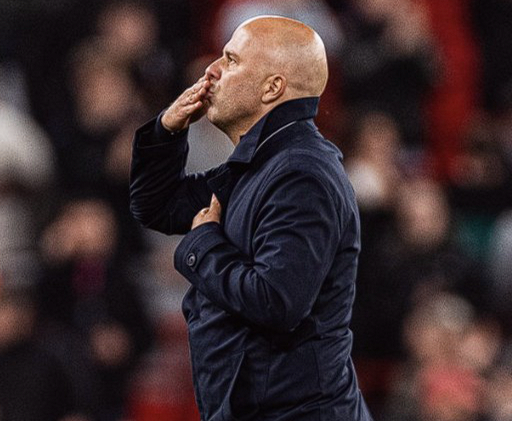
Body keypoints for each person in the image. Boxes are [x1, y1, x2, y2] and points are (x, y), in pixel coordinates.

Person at [130, 15, 373, 421]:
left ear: (272, 87)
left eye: (231, 60)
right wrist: (166, 131)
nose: (211, 71)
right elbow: (158, 205)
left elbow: (276, 300)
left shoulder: (300, 173)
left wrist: (203, 246)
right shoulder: (261, 165)